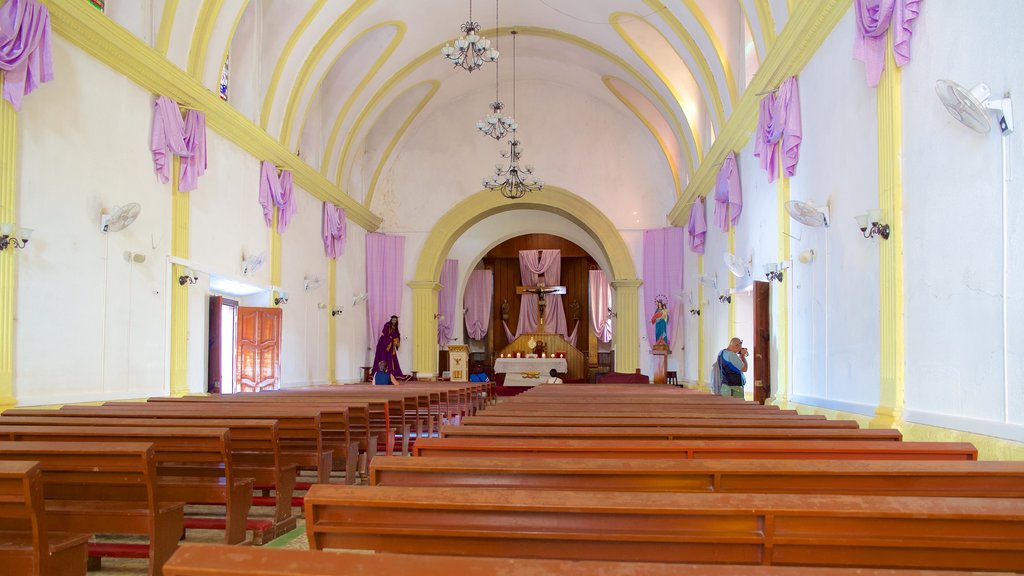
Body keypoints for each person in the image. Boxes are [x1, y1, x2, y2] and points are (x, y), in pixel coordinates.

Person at [371, 315, 413, 382]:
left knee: (391, 359)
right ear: (391, 320)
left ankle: (390, 372)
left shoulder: (395, 328)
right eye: (393, 320)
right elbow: (384, 335)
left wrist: (396, 340)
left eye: (395, 320)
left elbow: (397, 335)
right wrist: (391, 339)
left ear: (396, 321)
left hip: (390, 345)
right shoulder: (387, 325)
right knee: (382, 358)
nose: (394, 321)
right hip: (383, 344)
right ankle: (381, 373)